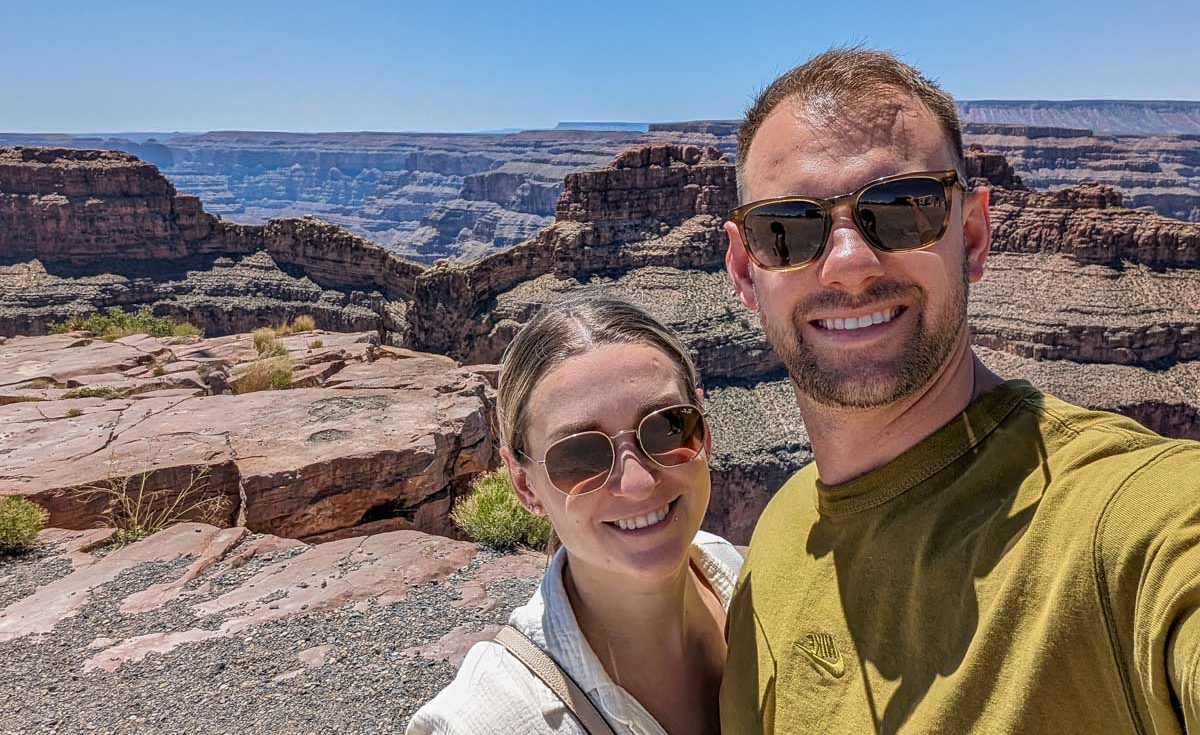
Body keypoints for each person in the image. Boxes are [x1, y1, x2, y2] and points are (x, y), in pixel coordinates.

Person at [719, 47, 1199, 734]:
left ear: (972, 234)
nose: (850, 265)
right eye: (789, 229)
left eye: (902, 208)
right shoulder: (777, 536)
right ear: (744, 268)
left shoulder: (1114, 528)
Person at [408, 295, 741, 735]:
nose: (637, 482)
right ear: (525, 485)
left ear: (705, 430)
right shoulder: (485, 720)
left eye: (666, 427)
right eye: (581, 455)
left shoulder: (735, 574)